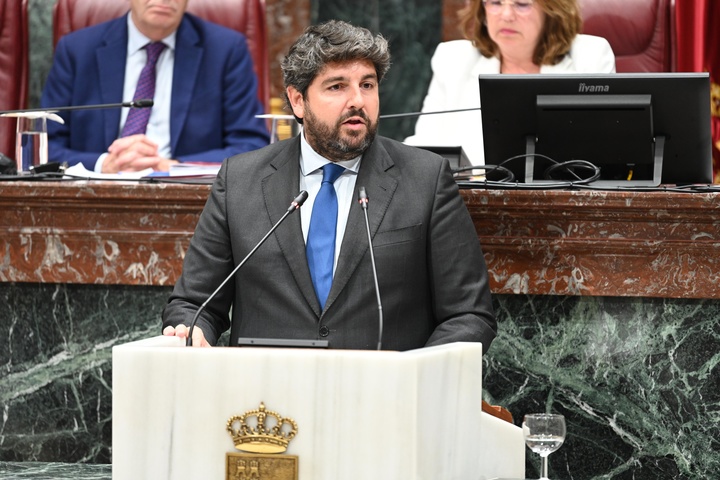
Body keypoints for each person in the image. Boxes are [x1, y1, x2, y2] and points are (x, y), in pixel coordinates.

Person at [161, 19, 497, 353]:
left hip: (383, 385)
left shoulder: (426, 178)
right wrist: (192, 329)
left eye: (367, 85)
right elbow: (194, 304)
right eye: (337, 87)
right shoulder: (240, 180)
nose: (358, 100)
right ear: (298, 101)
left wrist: (414, 373)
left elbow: (469, 315)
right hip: (269, 385)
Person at [40, 0, 270, 173]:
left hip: (188, 200)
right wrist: (104, 164)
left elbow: (251, 146)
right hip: (93, 193)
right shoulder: (77, 50)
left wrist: (174, 167)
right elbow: (43, 145)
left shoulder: (225, 51)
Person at [404, 0, 616, 165]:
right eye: (495, 3)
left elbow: (602, 152)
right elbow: (423, 147)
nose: (506, 15)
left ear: (552, 11)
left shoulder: (590, 58)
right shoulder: (453, 60)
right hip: (469, 201)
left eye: (521, 4)